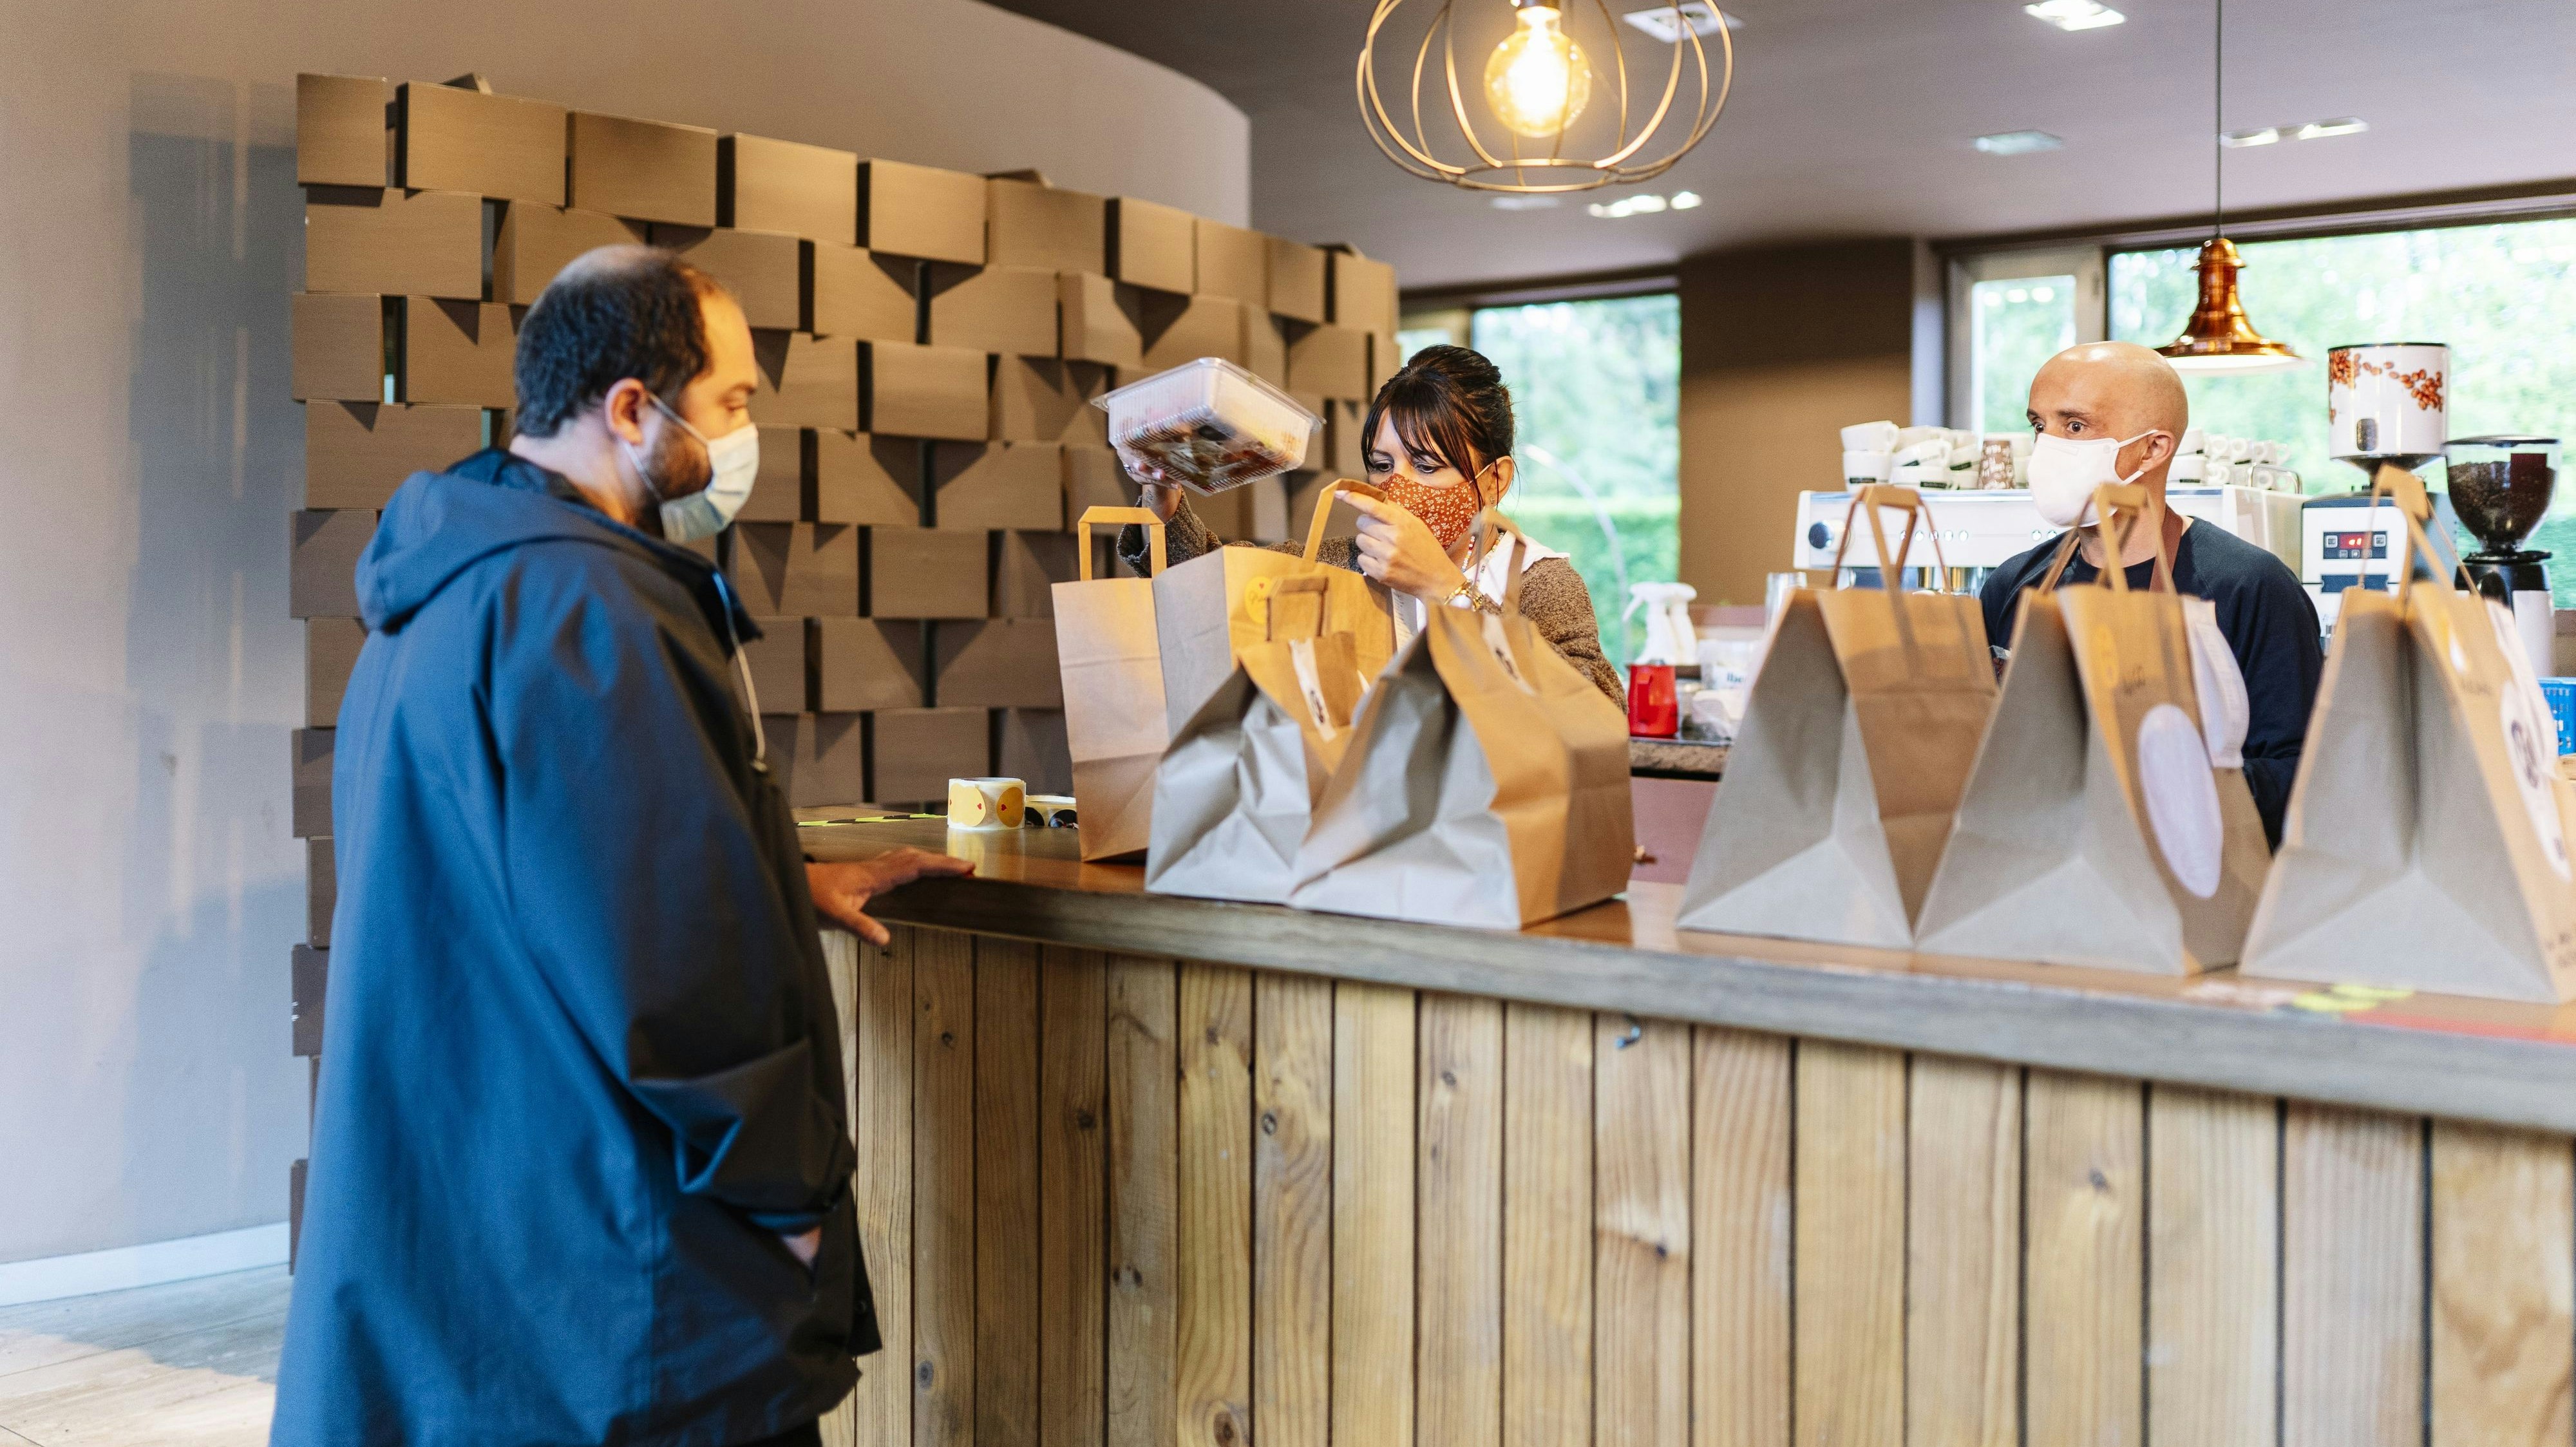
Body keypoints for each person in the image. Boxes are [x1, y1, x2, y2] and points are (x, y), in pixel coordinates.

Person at [271, 247, 971, 1447]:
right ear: (634, 410)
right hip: (620, 1265)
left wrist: (771, 874)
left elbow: (527, 865)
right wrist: (792, 1201)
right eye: (735, 402)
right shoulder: (592, 606)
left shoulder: (446, 581)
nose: (747, 434)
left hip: (495, 1231)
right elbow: (678, 971)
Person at [1121, 345, 1624, 706]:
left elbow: (1599, 711)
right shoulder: (1345, 560)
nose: (1397, 486)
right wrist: (1161, 492)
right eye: (1383, 464)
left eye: (1426, 466)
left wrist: (1445, 588)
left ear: (1494, 481)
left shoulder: (1541, 581)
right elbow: (1218, 583)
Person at [1978, 341, 2323, 844]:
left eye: (2075, 427)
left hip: (2194, 887)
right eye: (2039, 425)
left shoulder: (2250, 588)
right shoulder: (2015, 586)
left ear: (2154, 448)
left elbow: (2303, 777)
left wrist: (2169, 787)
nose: (2047, 446)